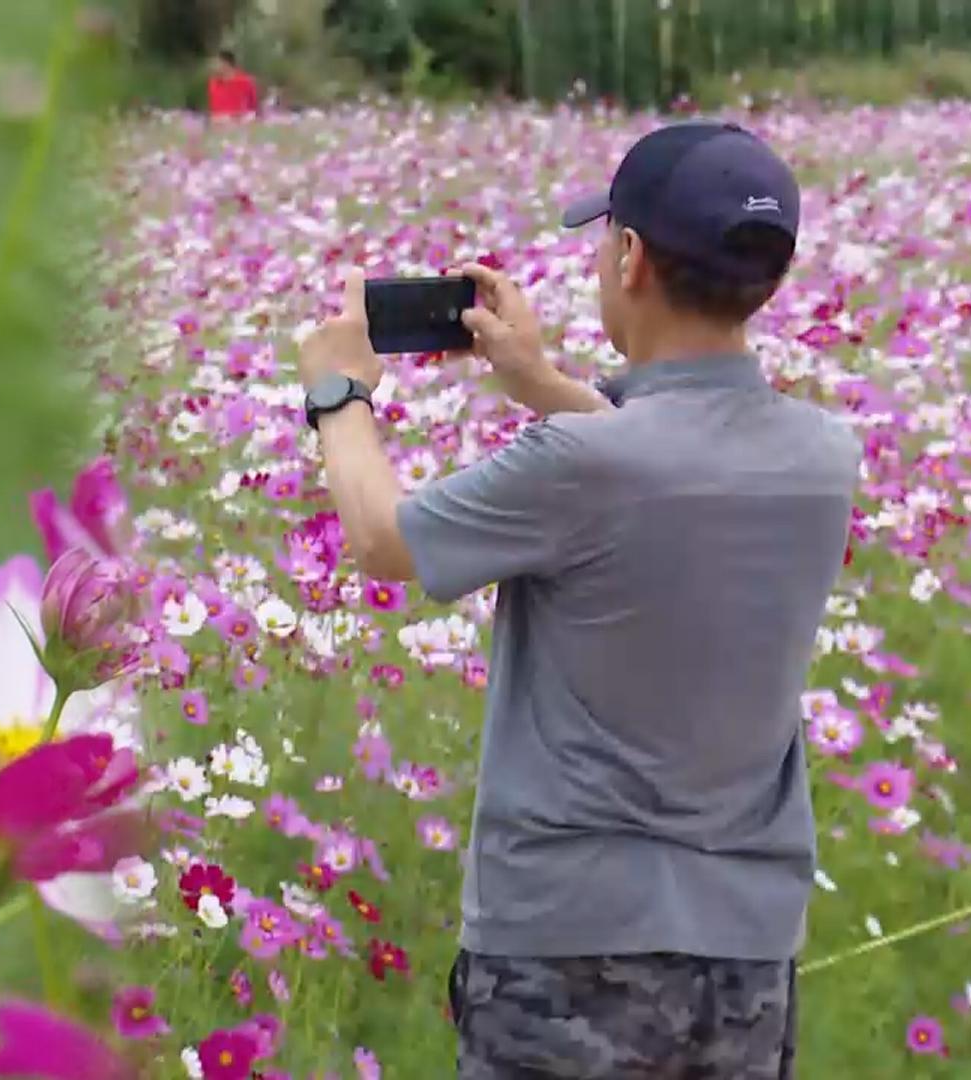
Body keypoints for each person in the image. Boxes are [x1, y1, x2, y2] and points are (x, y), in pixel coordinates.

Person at [297, 121, 858, 1078]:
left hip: (569, 952)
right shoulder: (822, 453)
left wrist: (339, 391)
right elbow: (670, 459)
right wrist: (539, 380)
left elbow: (383, 538)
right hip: (748, 957)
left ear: (630, 257)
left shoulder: (586, 466)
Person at [206, 49, 258, 118]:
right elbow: (210, 109)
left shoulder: (245, 82)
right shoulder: (212, 83)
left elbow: (253, 109)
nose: (213, 66)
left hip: (239, 125)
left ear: (226, 64)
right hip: (216, 125)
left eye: (216, 63)